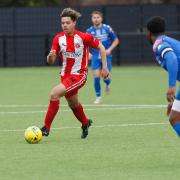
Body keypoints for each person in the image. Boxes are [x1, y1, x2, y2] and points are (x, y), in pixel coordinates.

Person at [40, 8, 109, 139]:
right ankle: (85, 123)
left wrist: (105, 68)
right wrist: (50, 56)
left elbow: (101, 47)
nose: (64, 25)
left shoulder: (83, 37)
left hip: (79, 75)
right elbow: (50, 61)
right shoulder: (58, 38)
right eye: (62, 23)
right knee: (73, 104)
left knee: (54, 93)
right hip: (65, 76)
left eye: (67, 22)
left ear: (74, 23)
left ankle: (46, 128)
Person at [146, 16, 180, 137]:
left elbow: (172, 59)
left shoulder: (159, 44)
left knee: (175, 118)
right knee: (174, 117)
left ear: (148, 32)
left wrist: (172, 86)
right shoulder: (168, 40)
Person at [86, 11, 119, 104]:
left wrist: (109, 49)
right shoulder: (89, 31)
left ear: (101, 19)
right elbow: (84, 44)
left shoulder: (107, 28)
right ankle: (98, 97)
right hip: (96, 56)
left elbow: (116, 40)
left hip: (106, 56)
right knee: (96, 76)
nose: (96, 19)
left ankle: (108, 84)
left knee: (105, 76)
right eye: (94, 17)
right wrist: (88, 53)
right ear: (92, 19)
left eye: (98, 17)